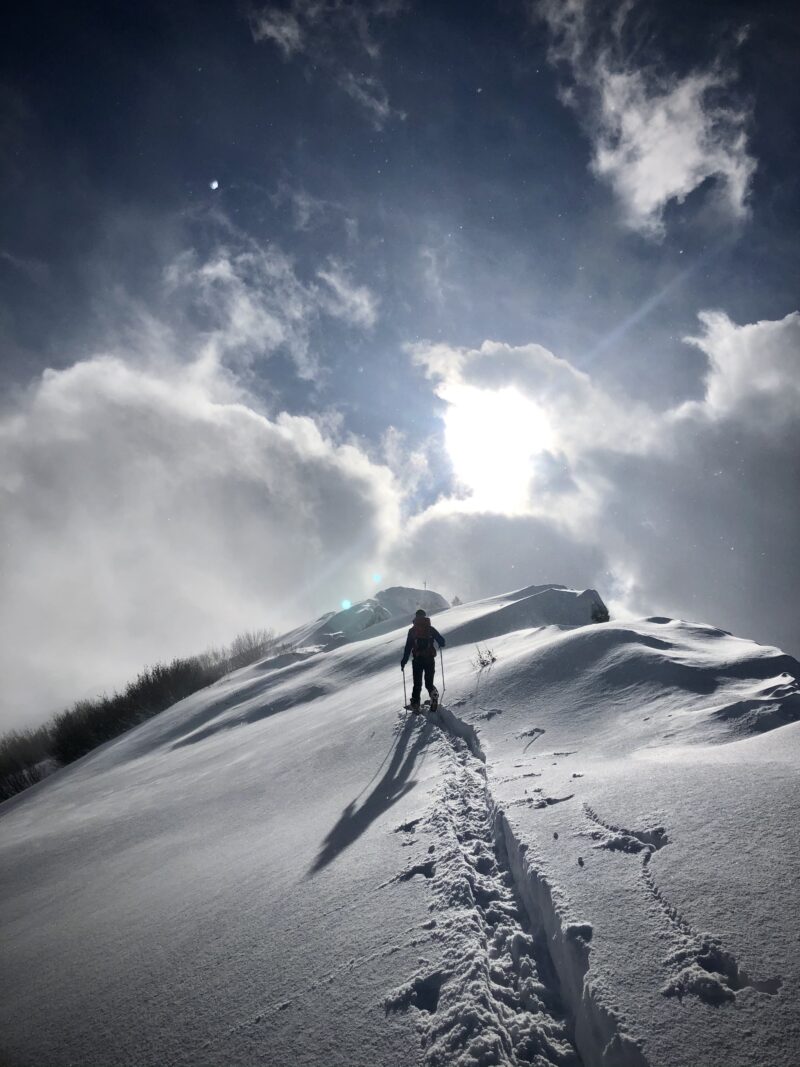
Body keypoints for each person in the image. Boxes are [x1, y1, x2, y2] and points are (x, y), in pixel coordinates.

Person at [400, 609, 446, 712]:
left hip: (417, 660)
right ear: (425, 617)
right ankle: (433, 695)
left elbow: (408, 647)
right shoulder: (430, 629)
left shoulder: (412, 631)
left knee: (417, 683)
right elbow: (442, 642)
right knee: (429, 683)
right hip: (429, 659)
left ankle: (415, 704)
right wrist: (439, 643)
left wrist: (404, 661)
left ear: (416, 617)